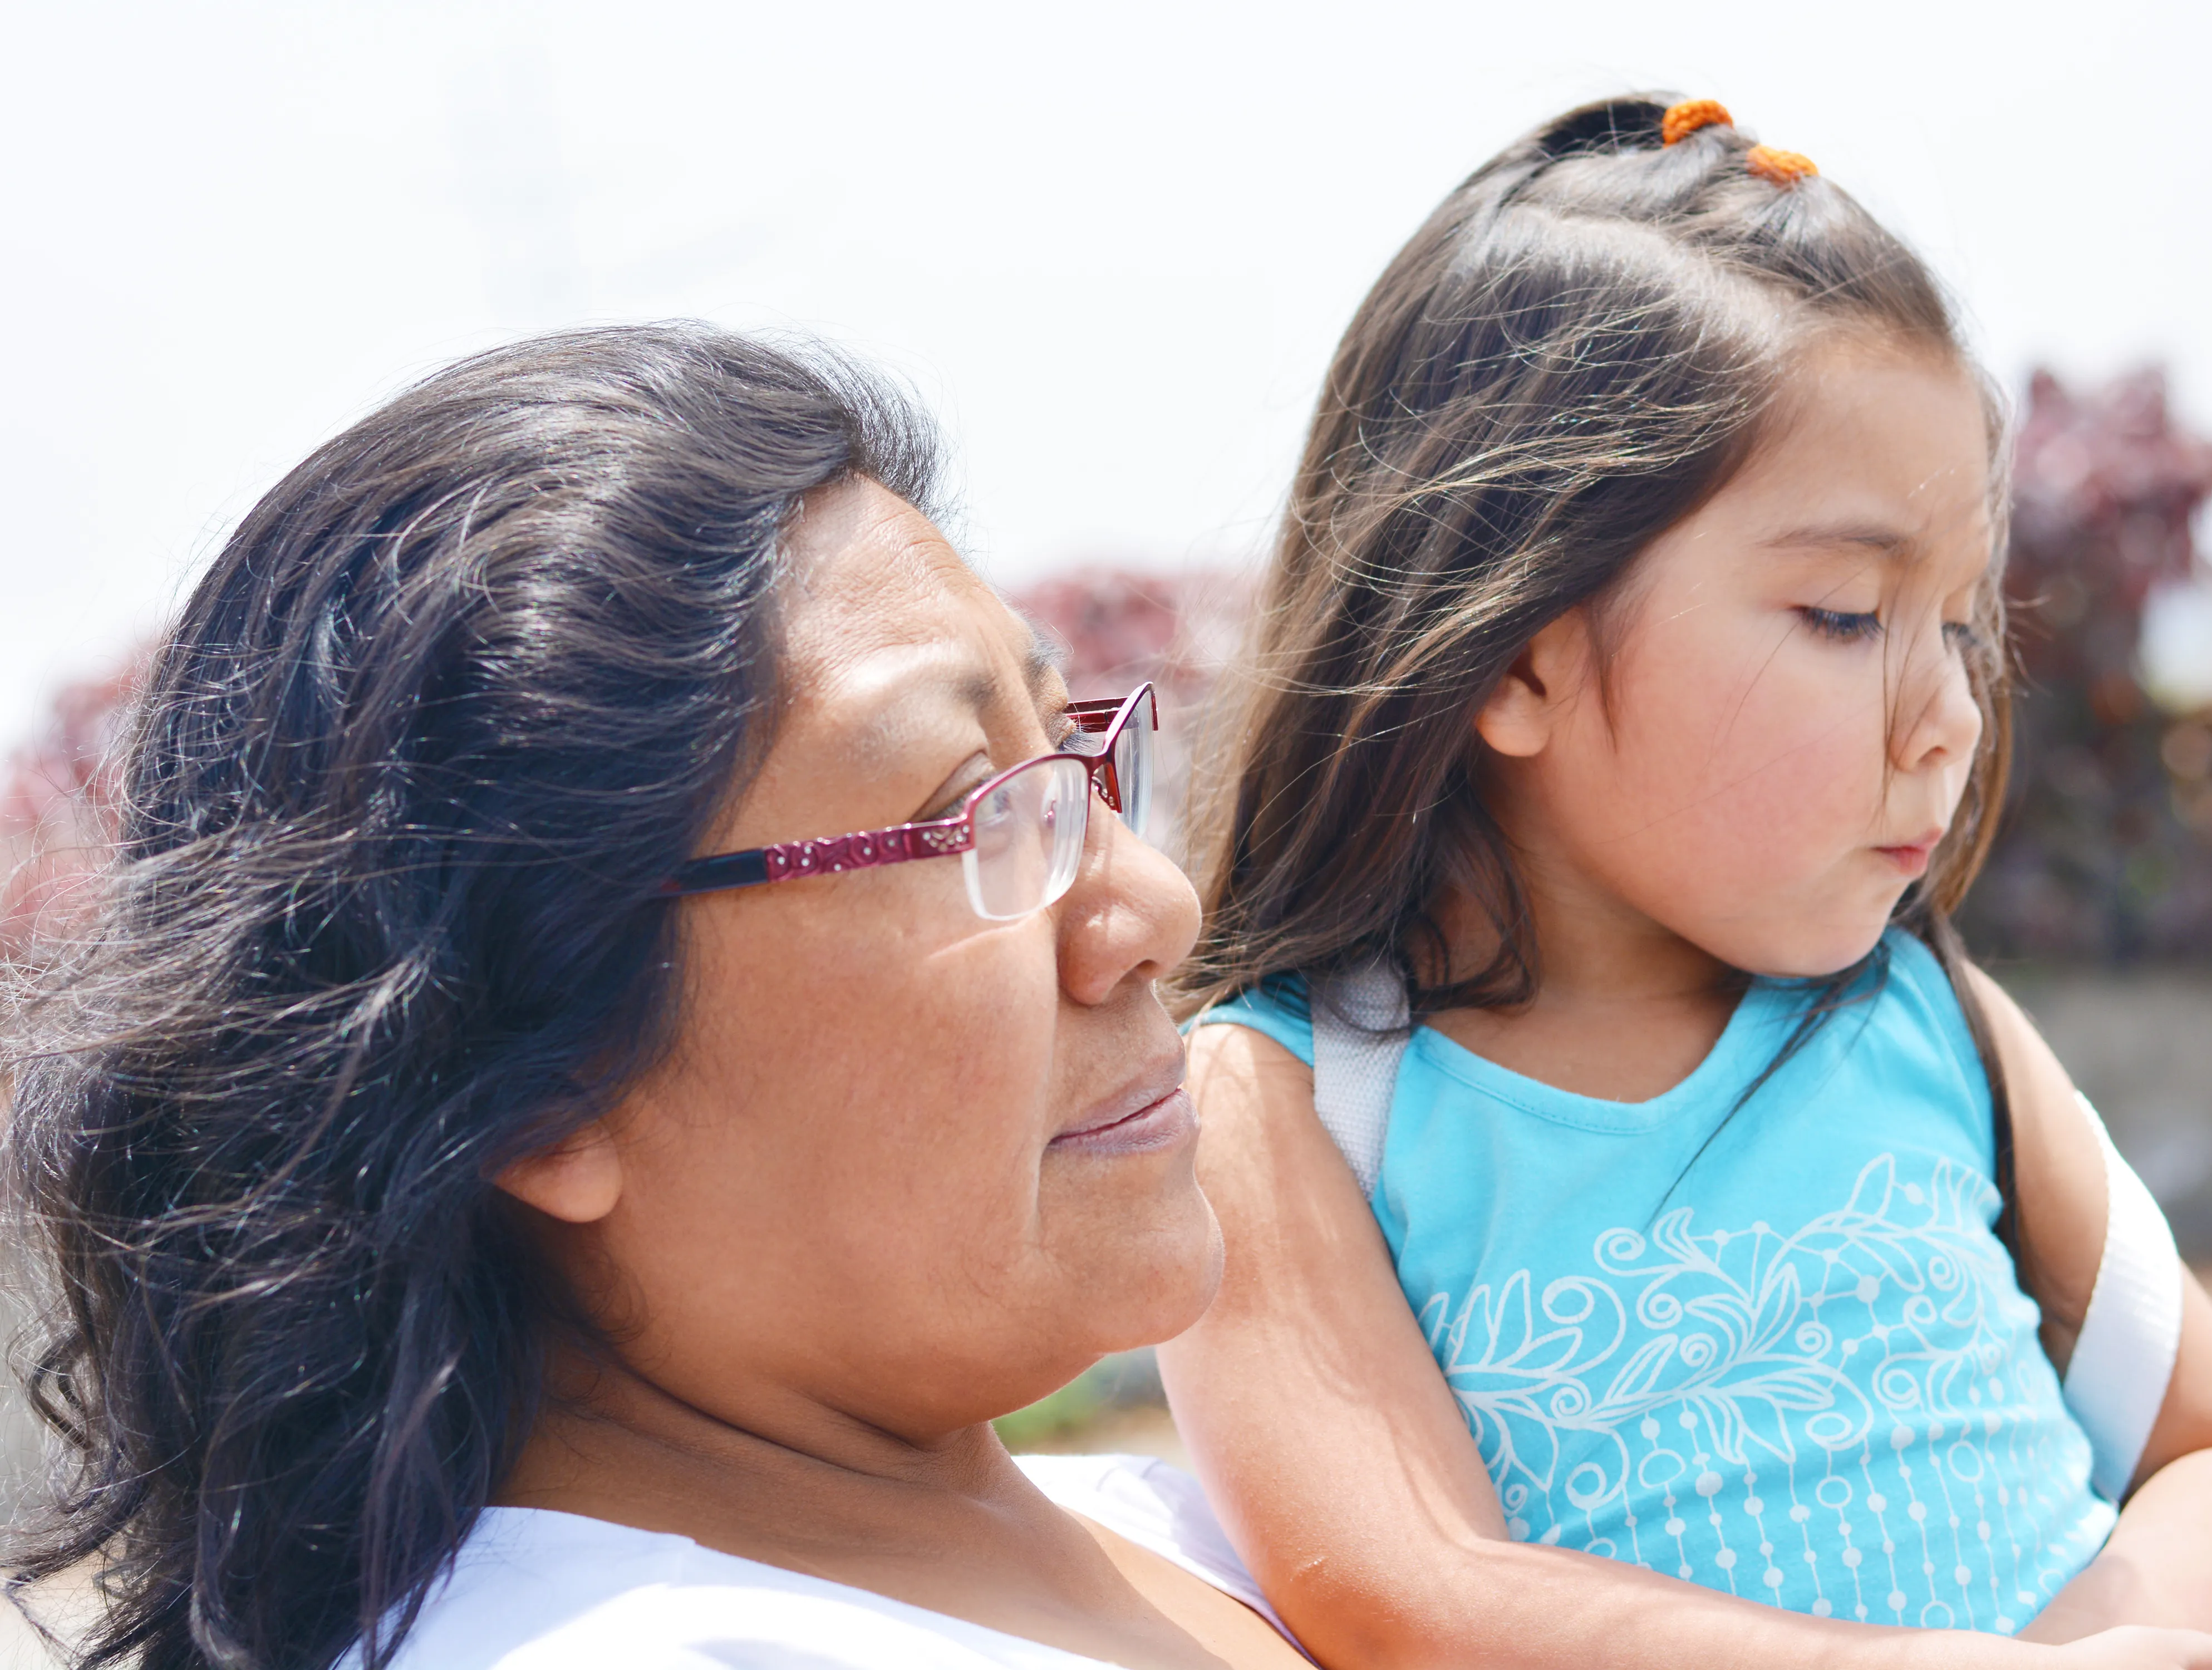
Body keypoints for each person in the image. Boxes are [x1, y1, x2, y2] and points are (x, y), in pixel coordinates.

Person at [1161, 97, 2212, 1670]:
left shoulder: (1921, 1019)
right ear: (1514, 652)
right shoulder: (1289, 1112)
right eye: (1847, 616)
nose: (1951, 716)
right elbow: (1414, 1598)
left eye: (1962, 624)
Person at [3, 326, 1311, 1669]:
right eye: (966, 815)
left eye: (1071, 762)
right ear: (535, 1088)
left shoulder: (1236, 1528)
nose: (1150, 909)